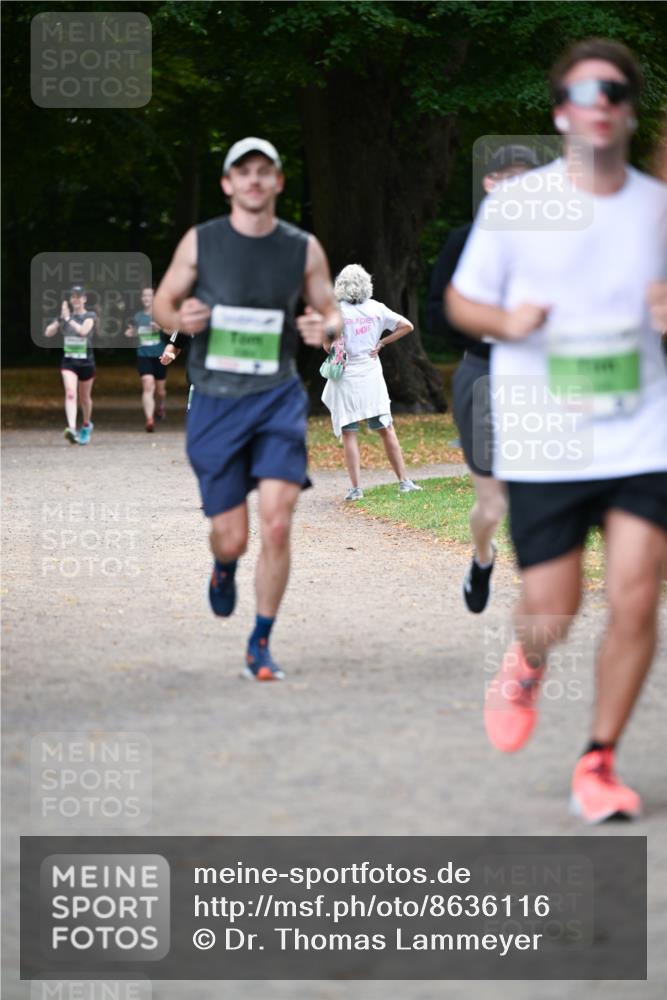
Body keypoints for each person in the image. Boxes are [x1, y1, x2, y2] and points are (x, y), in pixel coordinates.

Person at [447, 38, 667, 822]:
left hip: (641, 434)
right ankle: (527, 660)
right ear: (559, 111)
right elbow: (461, 304)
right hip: (546, 435)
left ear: (627, 109)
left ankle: (597, 760)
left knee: (637, 596)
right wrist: (506, 319)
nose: (598, 101)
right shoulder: (517, 205)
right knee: (553, 607)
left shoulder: (656, 208)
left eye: (613, 89)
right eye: (582, 90)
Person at [154, 136, 342, 681]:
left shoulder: (302, 247)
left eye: (265, 171)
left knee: (278, 523)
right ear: (228, 184)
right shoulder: (201, 242)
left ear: (279, 182)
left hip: (277, 398)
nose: (255, 180)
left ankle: (260, 642)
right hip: (215, 400)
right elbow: (164, 300)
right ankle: (223, 564)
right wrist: (180, 317)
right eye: (244, 172)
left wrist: (321, 326)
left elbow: (330, 310)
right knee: (233, 535)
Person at [428, 145, 539, 612]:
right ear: (490, 184)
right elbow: (434, 313)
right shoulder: (464, 240)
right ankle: (482, 557)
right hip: (483, 375)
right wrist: (490, 325)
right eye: (508, 178)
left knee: (540, 502)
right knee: (492, 506)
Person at [321, 264, 422, 500]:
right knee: (386, 428)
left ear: (341, 286)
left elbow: (327, 346)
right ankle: (404, 481)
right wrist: (382, 343)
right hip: (370, 375)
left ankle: (356, 489)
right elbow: (407, 326)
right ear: (366, 284)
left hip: (345, 376)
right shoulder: (377, 309)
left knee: (349, 432)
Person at [44, 284, 97, 445]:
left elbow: (83, 331)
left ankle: (86, 425)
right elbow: (48, 333)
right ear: (70, 299)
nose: (76, 300)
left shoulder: (90, 315)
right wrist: (60, 320)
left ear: (84, 299)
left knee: (85, 398)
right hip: (69, 362)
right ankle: (72, 429)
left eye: (79, 296)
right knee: (70, 393)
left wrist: (68, 319)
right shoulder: (64, 317)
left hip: (87, 363)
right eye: (73, 297)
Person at [124, 286, 170, 432]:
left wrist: (160, 328)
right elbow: (130, 332)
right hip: (143, 355)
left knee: (160, 390)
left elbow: (172, 331)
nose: (146, 299)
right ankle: (149, 419)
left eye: (149, 296)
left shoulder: (161, 315)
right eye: (144, 296)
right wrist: (130, 333)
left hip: (160, 355)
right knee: (148, 384)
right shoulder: (138, 316)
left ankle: (161, 405)